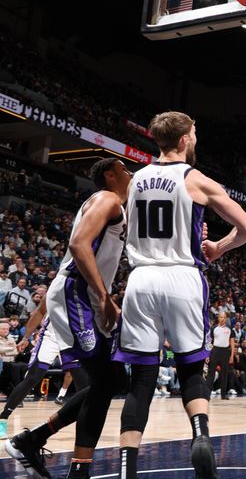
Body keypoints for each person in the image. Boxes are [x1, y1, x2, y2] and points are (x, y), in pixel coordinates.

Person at [112, 111, 246, 479]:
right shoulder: (196, 179)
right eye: (194, 133)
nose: (195, 138)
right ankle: (201, 438)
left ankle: (127, 466)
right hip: (182, 277)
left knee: (141, 379)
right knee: (191, 367)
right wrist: (218, 247)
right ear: (183, 140)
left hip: (141, 278)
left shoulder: (135, 179)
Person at [4, 158, 132, 479]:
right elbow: (77, 244)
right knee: (104, 381)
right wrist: (104, 297)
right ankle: (74, 469)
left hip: (84, 295)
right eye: (126, 170)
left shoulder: (118, 207)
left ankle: (32, 440)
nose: (131, 175)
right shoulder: (107, 198)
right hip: (78, 293)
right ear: (110, 175)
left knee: (113, 380)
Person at [0, 301, 88, 439]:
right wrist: (25, 337)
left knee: (84, 385)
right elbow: (40, 311)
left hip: (74, 338)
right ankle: (3, 419)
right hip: (51, 337)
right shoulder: (59, 284)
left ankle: (84, 424)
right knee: (33, 378)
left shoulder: (92, 288)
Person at [205, 311, 235, 399]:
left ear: (226, 318)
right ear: (218, 318)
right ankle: (207, 393)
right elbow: (209, 342)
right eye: (221, 317)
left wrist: (232, 355)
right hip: (215, 351)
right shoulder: (213, 328)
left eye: (224, 317)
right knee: (211, 373)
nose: (223, 319)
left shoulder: (230, 329)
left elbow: (232, 343)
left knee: (224, 374)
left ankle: (223, 394)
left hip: (225, 352)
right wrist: (207, 355)